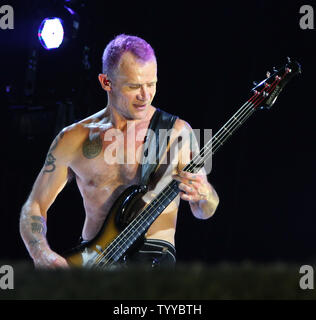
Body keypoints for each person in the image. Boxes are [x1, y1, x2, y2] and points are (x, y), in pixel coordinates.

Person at [19, 34, 219, 269]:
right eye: (134, 86)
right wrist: (41, 252)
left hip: (152, 267)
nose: (145, 95)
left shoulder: (177, 132)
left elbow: (204, 211)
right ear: (106, 82)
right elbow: (34, 205)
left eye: (151, 84)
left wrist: (204, 196)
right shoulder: (73, 138)